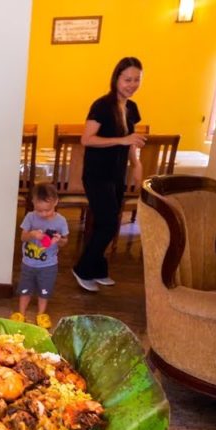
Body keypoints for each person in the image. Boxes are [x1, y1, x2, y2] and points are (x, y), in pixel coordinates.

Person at [73, 56, 146, 292]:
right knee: (106, 223)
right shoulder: (102, 106)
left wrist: (136, 164)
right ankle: (83, 269)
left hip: (116, 174)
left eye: (136, 80)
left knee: (111, 222)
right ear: (116, 79)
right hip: (96, 174)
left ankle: (98, 268)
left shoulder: (132, 108)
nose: (132, 84)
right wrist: (121, 139)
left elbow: (130, 141)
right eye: (127, 79)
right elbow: (87, 139)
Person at [11, 183, 68, 329]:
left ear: (56, 201)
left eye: (47, 210)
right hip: (28, 264)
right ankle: (21, 313)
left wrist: (58, 240)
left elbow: (64, 242)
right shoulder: (30, 217)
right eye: (39, 210)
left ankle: (41, 314)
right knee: (25, 289)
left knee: (44, 291)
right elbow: (23, 237)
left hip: (48, 265)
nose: (42, 214)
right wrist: (31, 234)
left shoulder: (60, 221)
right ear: (33, 203)